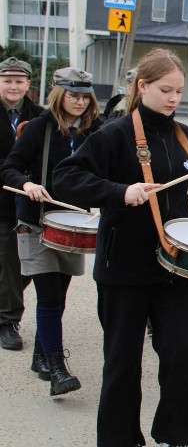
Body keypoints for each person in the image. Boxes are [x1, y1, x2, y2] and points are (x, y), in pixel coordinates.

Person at [54, 48, 188, 447]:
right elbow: (66, 177)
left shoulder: (182, 135)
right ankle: (120, 439)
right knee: (122, 365)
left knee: (183, 358)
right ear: (142, 87)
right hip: (123, 268)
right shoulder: (115, 133)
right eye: (165, 90)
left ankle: (178, 436)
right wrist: (120, 192)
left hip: (175, 269)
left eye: (179, 91)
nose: (174, 99)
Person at [1, 68, 101, 395]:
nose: (78, 102)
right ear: (60, 94)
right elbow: (10, 167)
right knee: (50, 295)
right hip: (36, 222)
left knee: (60, 296)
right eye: (73, 95)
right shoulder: (40, 128)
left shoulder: (93, 133)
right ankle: (58, 367)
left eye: (84, 96)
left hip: (73, 225)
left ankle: (40, 355)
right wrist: (26, 184)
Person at [0, 57, 42, 351]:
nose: (13, 86)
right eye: (7, 81)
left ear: (28, 85)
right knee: (7, 261)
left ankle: (6, 313)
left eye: (19, 81)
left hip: (28, 200)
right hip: (1, 199)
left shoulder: (40, 117)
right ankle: (8, 319)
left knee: (20, 264)